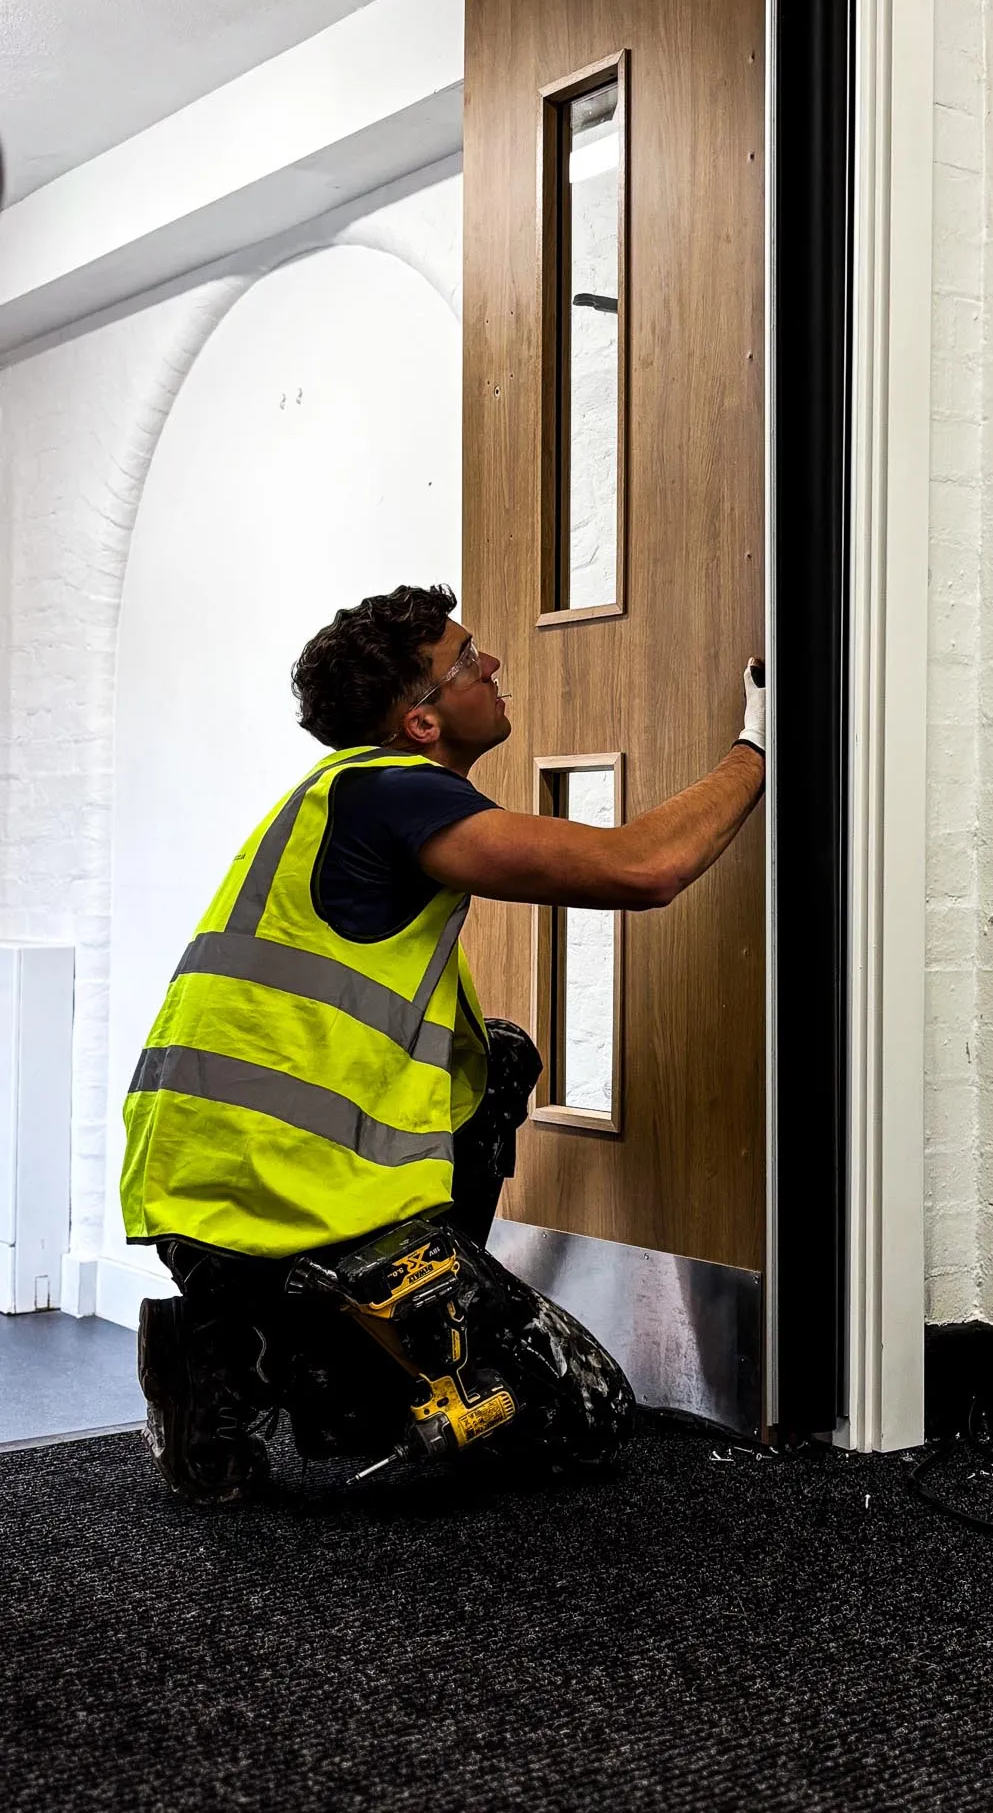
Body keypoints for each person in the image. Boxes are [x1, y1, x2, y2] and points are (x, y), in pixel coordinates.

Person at [122, 582, 766, 1502]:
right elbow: (645, 868)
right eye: (467, 660)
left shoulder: (341, 802)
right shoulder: (390, 797)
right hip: (280, 1200)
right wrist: (757, 746)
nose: (492, 665)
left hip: (212, 1187)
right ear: (421, 723)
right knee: (577, 1413)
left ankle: (283, 1339)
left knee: (494, 1058)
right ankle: (238, 1364)